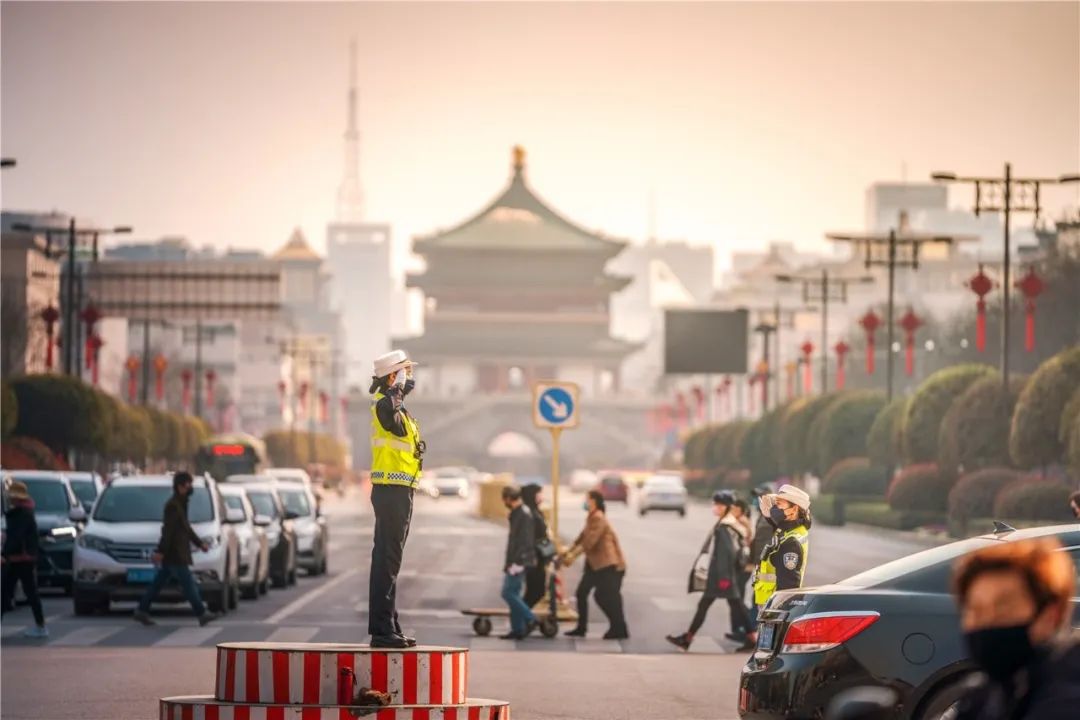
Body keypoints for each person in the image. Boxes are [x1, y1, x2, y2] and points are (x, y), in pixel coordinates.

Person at [950, 537, 1080, 720]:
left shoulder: (1068, 695)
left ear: (1051, 615)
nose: (988, 621)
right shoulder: (989, 690)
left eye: (1004, 609)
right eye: (976, 611)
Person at [367, 349, 425, 648]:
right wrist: (396, 389)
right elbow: (390, 419)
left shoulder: (396, 406)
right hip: (391, 492)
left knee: (390, 561)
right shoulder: (385, 405)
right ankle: (382, 630)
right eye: (405, 371)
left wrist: (398, 393)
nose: (410, 377)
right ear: (393, 375)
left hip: (399, 491)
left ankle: (390, 624)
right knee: (386, 561)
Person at [666, 491, 755, 651]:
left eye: (718, 505)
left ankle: (688, 638)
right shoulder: (730, 524)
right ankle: (688, 638)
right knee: (733, 606)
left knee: (721, 606)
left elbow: (725, 554)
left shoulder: (724, 528)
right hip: (726, 575)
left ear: (726, 507)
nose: (715, 507)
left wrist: (723, 578)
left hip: (721, 576)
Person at [133, 472, 219, 627]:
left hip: (176, 553)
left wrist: (200, 544)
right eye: (188, 484)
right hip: (175, 553)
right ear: (180, 486)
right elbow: (168, 531)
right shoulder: (173, 506)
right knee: (188, 583)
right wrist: (161, 551)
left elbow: (186, 528)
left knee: (158, 583)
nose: (190, 487)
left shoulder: (181, 503)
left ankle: (141, 610)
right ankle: (201, 613)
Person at [561, 490, 629, 640]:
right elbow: (581, 538)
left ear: (595, 502)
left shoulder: (598, 518)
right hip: (595, 565)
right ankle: (583, 627)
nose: (585, 503)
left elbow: (590, 541)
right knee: (583, 593)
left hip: (609, 565)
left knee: (606, 597)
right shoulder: (591, 517)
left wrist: (573, 556)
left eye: (587, 500)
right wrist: (568, 550)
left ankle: (619, 628)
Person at [751, 484, 811, 618]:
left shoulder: (791, 544)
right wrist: (768, 516)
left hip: (775, 610)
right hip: (769, 605)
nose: (774, 508)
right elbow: (779, 529)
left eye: (779, 504)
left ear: (793, 509)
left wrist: (776, 616)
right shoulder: (791, 529)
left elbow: (788, 588)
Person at [1, 481, 48, 638]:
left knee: (11, 592)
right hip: (22, 559)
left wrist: (4, 554)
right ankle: (40, 625)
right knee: (11, 593)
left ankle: (41, 626)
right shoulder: (24, 513)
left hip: (21, 559)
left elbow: (16, 538)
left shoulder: (22, 515)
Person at [499, 486, 538, 640]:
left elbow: (525, 541)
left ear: (509, 498)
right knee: (514, 594)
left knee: (507, 593)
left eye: (504, 499)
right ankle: (517, 629)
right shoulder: (517, 514)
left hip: (519, 561)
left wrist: (517, 562)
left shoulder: (523, 514)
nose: (504, 502)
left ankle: (531, 618)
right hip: (516, 560)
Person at [521, 484, 552, 609]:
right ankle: (523, 619)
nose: (541, 497)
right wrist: (550, 553)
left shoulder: (534, 512)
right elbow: (540, 538)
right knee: (536, 591)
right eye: (538, 494)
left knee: (535, 592)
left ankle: (523, 620)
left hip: (538, 558)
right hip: (534, 559)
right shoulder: (530, 515)